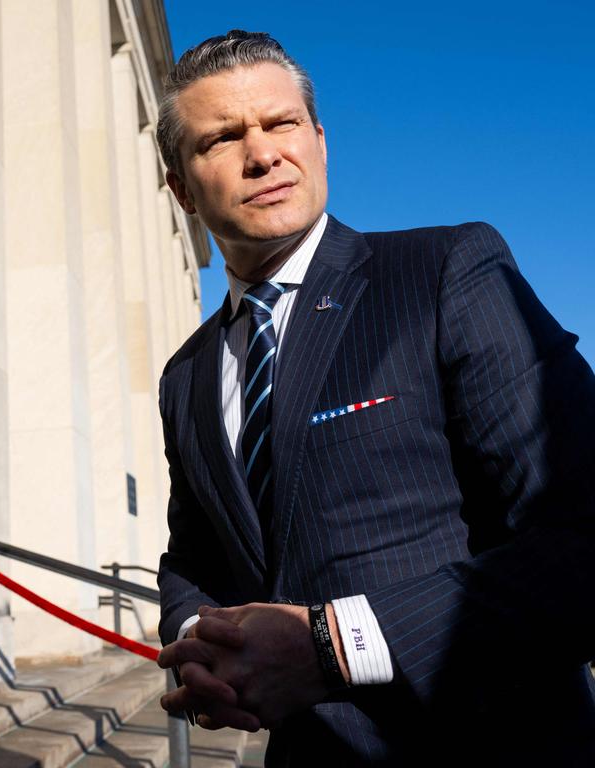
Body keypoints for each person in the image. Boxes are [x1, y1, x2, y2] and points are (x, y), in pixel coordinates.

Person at [153, 31, 595, 766]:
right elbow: (194, 554)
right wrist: (197, 641)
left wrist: (333, 647)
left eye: (281, 124)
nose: (262, 154)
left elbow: (583, 536)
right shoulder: (186, 375)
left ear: (319, 140)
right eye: (223, 138)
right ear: (181, 187)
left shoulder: (445, 272)